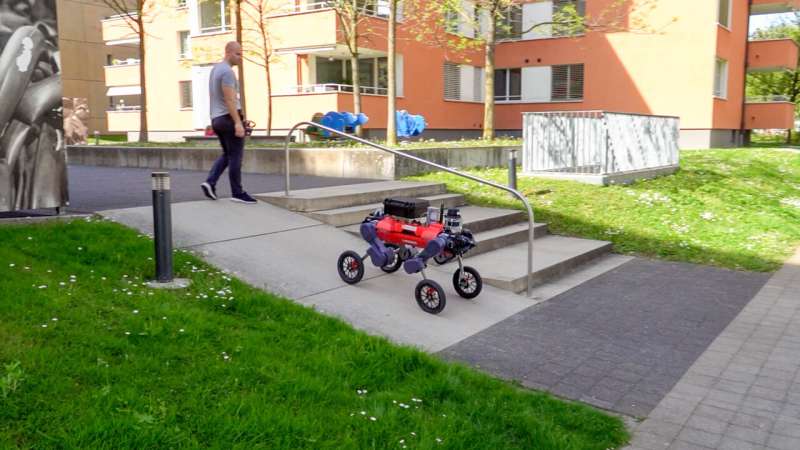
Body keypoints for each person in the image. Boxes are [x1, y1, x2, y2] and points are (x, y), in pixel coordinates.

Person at [201, 41, 257, 204]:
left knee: (228, 154)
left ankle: (210, 182)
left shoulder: (215, 70)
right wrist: (238, 123)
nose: (240, 58)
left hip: (217, 119)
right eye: (238, 54)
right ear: (228, 52)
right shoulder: (227, 72)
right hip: (228, 118)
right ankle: (237, 193)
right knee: (236, 157)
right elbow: (230, 99)